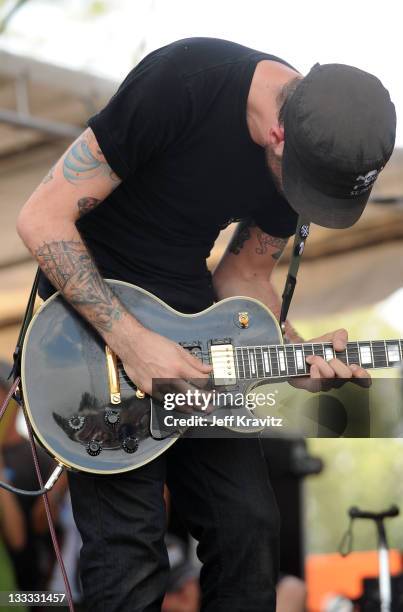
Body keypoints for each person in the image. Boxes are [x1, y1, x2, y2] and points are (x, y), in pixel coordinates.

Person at [16, 37, 395, 611]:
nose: (299, 199)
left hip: (193, 327)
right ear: (279, 134)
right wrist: (134, 343)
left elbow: (242, 278)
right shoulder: (184, 82)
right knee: (131, 552)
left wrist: (294, 357)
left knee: (248, 523)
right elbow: (40, 218)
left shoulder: (315, 143)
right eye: (302, 186)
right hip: (94, 331)